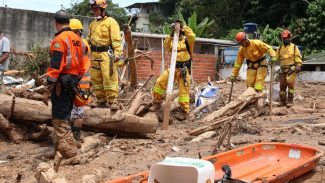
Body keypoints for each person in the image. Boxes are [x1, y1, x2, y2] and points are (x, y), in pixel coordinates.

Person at [43, 10, 85, 159]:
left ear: (56, 22)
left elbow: (55, 67)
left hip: (61, 82)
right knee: (65, 116)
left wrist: (48, 89)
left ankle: (70, 154)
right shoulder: (78, 40)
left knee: (59, 119)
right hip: (72, 83)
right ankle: (61, 150)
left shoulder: (60, 40)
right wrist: (74, 80)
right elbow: (82, 66)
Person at [150, 20, 196, 120]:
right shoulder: (172, 40)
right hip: (173, 67)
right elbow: (166, 46)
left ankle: (185, 111)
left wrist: (183, 27)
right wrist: (171, 35)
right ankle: (157, 102)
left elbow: (192, 35)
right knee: (160, 82)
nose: (178, 32)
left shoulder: (188, 40)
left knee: (184, 91)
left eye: (179, 30)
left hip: (184, 69)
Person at [87, 0, 124, 110]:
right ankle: (101, 100)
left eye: (96, 8)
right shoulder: (92, 24)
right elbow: (89, 39)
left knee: (109, 78)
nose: (94, 11)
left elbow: (116, 40)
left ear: (102, 8)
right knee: (96, 78)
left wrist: (117, 54)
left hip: (106, 54)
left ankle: (113, 101)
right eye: (92, 9)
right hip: (94, 55)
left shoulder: (111, 22)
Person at [69, 18, 91, 141]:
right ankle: (74, 137)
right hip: (83, 82)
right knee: (77, 110)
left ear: (77, 32)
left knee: (77, 111)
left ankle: (75, 138)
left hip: (79, 82)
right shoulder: (83, 42)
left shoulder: (79, 44)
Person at [276, 30, 302, 107]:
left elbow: (297, 57)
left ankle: (290, 101)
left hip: (291, 69)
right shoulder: (280, 48)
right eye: (283, 39)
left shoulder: (294, 47)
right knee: (282, 86)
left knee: (290, 85)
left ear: (290, 38)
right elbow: (276, 56)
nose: (284, 40)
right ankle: (282, 101)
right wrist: (273, 59)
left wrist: (298, 65)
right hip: (283, 69)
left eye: (286, 38)